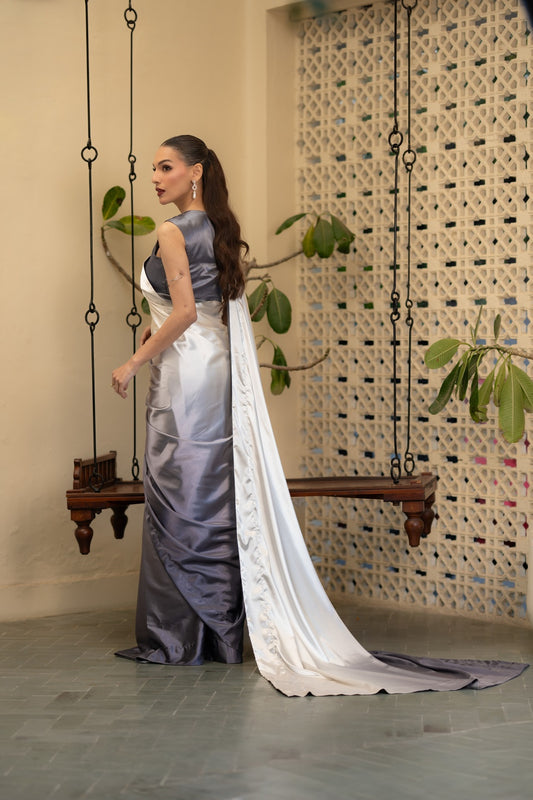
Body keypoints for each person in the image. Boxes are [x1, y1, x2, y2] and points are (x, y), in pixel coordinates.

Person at [113, 135, 527, 695]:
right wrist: (154, 336)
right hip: (215, 367)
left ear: (196, 171)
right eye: (153, 169)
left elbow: (184, 311)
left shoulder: (171, 231)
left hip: (187, 374)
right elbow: (201, 310)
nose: (155, 177)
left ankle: (179, 637)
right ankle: (216, 635)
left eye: (166, 167)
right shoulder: (218, 227)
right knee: (208, 493)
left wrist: (133, 361)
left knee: (179, 492)